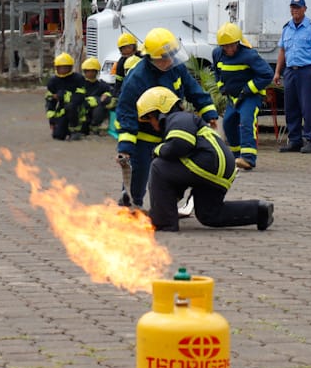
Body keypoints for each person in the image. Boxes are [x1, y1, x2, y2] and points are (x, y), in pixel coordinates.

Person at [136, 86, 274, 232]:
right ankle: (260, 211)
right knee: (209, 214)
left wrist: (157, 150)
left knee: (158, 166)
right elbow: (179, 168)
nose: (151, 124)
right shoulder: (183, 120)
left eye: (149, 118)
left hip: (208, 163)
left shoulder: (178, 118)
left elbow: (180, 145)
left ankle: (163, 221)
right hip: (220, 169)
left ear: (160, 111)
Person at [115, 27, 218, 208]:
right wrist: (125, 148)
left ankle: (167, 205)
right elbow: (126, 113)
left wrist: (209, 112)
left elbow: (193, 89)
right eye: (164, 58)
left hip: (171, 132)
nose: (169, 60)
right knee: (138, 174)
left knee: (176, 172)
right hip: (143, 136)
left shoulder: (176, 68)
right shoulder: (137, 79)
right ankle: (131, 205)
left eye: (172, 55)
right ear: (150, 58)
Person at [213, 22, 273, 170]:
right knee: (228, 123)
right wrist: (222, 87)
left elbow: (267, 74)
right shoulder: (217, 54)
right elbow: (217, 72)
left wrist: (248, 89)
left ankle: (248, 159)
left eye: (232, 45)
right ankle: (235, 157)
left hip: (250, 97)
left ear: (238, 42)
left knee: (247, 122)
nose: (229, 49)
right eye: (225, 46)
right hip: (233, 97)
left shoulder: (249, 55)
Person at [273, 0, 311, 154]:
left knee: (307, 107)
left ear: (304, 9)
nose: (295, 10)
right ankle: (295, 140)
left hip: (306, 71)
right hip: (290, 71)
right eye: (292, 7)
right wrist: (277, 72)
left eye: (298, 7)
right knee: (291, 107)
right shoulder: (286, 28)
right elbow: (282, 51)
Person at [63, 57, 115, 139]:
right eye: (88, 71)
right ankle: (74, 130)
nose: (90, 73)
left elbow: (112, 93)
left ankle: (94, 127)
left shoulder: (101, 85)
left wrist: (106, 95)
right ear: (84, 72)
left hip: (93, 114)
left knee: (101, 106)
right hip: (80, 113)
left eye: (93, 71)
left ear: (97, 72)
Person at [45, 52, 85, 141]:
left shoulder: (78, 78)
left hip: (77, 109)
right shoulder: (53, 81)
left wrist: (62, 96)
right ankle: (66, 129)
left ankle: (75, 130)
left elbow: (80, 97)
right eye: (61, 67)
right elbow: (50, 102)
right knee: (58, 136)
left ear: (71, 67)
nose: (63, 69)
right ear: (56, 68)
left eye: (66, 67)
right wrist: (52, 120)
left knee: (70, 106)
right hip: (62, 110)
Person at [112, 32, 142, 97]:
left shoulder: (142, 57)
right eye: (124, 48)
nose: (127, 50)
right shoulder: (120, 63)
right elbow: (118, 84)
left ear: (134, 47)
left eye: (129, 47)